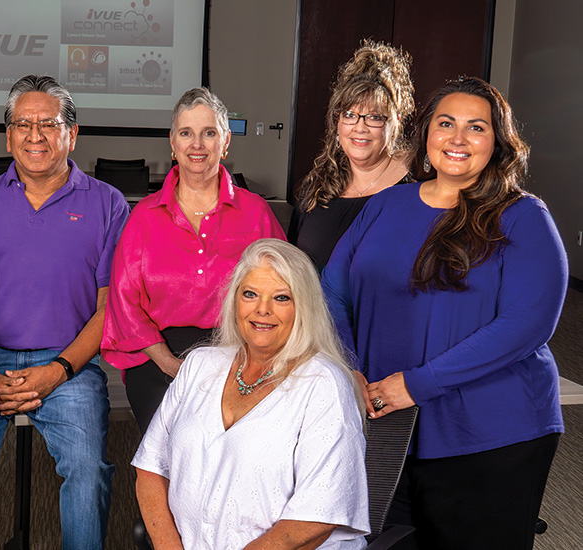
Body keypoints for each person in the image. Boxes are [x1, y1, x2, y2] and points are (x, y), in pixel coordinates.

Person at [323, 78, 565, 549]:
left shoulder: (523, 216)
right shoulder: (384, 205)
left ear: (497, 143)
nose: (457, 138)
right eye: (445, 124)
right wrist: (346, 365)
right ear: (426, 134)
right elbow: (331, 292)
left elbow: (528, 323)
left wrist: (417, 384)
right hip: (384, 421)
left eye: (476, 127)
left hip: (492, 433)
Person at [0, 75, 129, 549]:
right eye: (23, 124)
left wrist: (58, 371)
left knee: (88, 474)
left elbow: (110, 309)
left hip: (71, 365)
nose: (35, 135)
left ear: (73, 133)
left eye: (49, 123)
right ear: (8, 136)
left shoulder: (108, 204)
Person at [134, 239, 369, 549]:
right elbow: (151, 468)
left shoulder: (323, 384)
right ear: (235, 301)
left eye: (281, 298)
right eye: (250, 294)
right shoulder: (200, 365)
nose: (262, 310)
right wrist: (168, 545)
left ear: (304, 308)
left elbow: (319, 517)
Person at [101, 87, 285, 434]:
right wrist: (170, 363)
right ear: (173, 143)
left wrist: (247, 357)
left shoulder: (256, 212)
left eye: (209, 133)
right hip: (159, 358)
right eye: (186, 133)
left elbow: (283, 291)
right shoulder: (144, 217)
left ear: (225, 141)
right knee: (169, 457)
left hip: (239, 351)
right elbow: (124, 303)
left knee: (233, 459)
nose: (197, 144)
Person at [289, 40, 415, 272]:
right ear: (337, 122)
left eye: (374, 117)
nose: (360, 127)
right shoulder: (316, 187)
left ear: (395, 124)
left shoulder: (417, 187)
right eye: (349, 115)